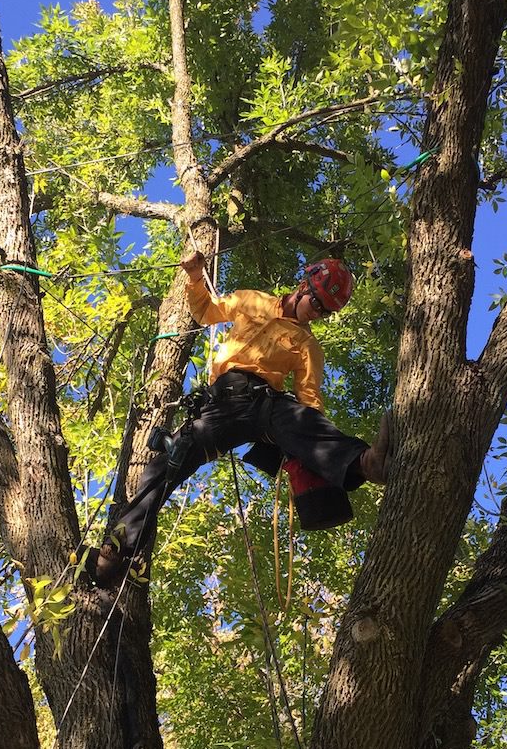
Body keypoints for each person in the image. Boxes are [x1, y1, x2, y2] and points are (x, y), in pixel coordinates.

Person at [91, 250, 390, 589]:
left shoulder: (307, 344)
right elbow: (206, 311)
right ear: (304, 285)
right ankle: (114, 555)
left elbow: (310, 399)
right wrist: (194, 276)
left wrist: (309, 448)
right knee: (163, 468)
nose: (318, 314)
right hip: (220, 405)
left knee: (302, 420)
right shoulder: (253, 301)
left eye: (325, 312)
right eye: (317, 304)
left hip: (264, 405)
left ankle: (367, 463)